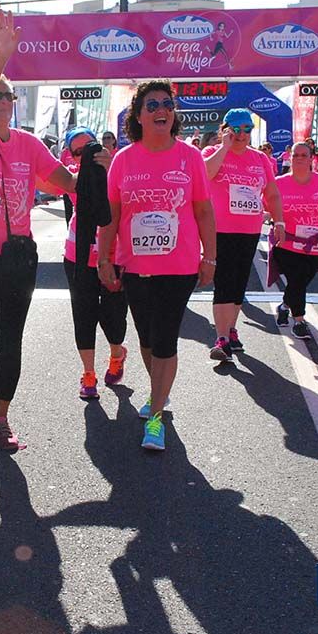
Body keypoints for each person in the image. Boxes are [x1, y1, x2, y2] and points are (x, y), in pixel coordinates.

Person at [0, 10, 92, 451]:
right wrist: (0, 58)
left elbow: (63, 182)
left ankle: (1, 419)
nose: (4, 101)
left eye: (9, 96)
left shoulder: (29, 144)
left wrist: (94, 180)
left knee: (9, 338)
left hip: (17, 256)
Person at [97, 79, 216, 451]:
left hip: (178, 266)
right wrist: (104, 258)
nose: (161, 110)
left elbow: (203, 209)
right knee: (147, 340)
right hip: (134, 266)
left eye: (166, 104)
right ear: (138, 115)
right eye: (152, 105)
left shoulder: (190, 157)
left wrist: (209, 256)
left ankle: (156, 417)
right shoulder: (124, 159)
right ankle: (158, 394)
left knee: (164, 341)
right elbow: (111, 216)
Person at [202, 108, 284, 361]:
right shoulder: (211, 153)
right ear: (225, 130)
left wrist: (279, 220)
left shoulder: (260, 159)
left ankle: (231, 329)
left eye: (246, 129)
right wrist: (224, 148)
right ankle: (222, 338)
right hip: (220, 230)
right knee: (224, 283)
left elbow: (271, 193)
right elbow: (205, 175)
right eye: (235, 129)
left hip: (249, 230)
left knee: (239, 283)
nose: (241, 134)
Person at [62, 126, 129, 398]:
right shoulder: (73, 178)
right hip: (77, 255)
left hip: (114, 254)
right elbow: (42, 176)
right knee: (83, 314)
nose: (87, 154)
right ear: (72, 156)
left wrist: (112, 167)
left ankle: (116, 353)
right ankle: (88, 374)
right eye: (79, 151)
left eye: (91, 146)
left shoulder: (119, 169)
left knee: (113, 315)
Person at [272, 142, 318, 339]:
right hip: (287, 243)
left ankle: (285, 305)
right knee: (296, 278)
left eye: (304, 155)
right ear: (290, 158)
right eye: (295, 155)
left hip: (316, 244)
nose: (299, 158)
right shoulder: (279, 182)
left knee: (302, 281)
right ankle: (299, 321)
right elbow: (267, 203)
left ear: (312, 158)